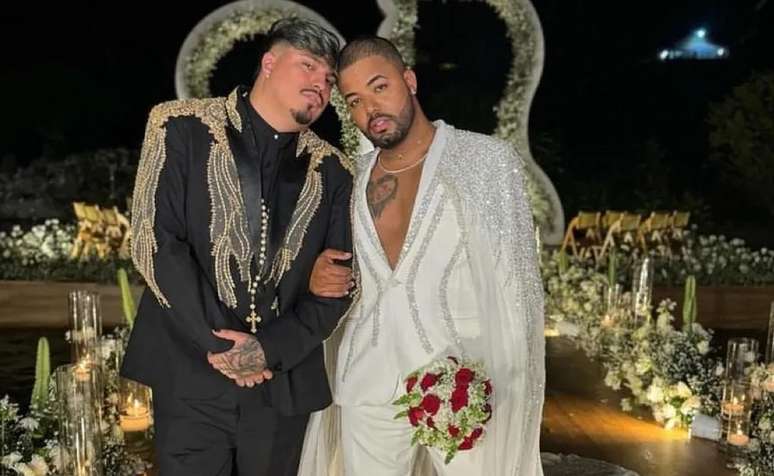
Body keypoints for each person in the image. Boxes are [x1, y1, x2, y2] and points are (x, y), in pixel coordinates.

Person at [120, 18, 355, 476]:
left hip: (280, 388)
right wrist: (223, 346)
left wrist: (267, 349)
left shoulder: (334, 171)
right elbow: (155, 242)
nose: (320, 85)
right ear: (268, 63)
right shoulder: (179, 125)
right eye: (307, 66)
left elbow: (339, 286)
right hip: (189, 379)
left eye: (329, 79)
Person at [301, 36, 545, 476]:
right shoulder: (349, 177)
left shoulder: (484, 160)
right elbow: (333, 262)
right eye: (354, 101)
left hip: (461, 378)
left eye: (380, 87)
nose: (371, 109)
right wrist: (315, 273)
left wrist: (510, 385)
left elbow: (515, 287)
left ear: (409, 81)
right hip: (367, 377)